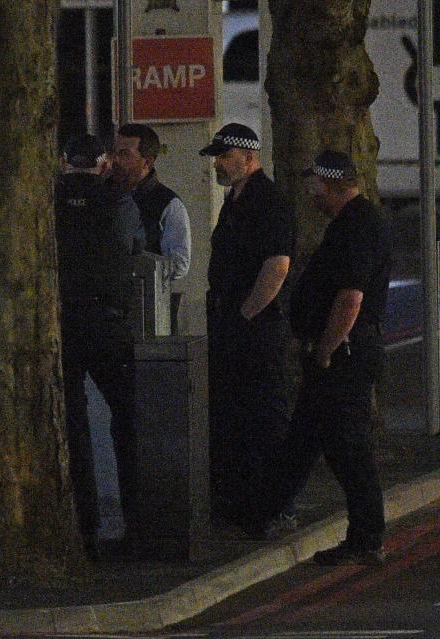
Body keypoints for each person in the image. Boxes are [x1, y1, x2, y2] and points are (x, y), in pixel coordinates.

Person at [258, 150, 391, 566]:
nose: (311, 192)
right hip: (337, 353)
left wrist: (326, 350)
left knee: (347, 447)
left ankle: (367, 537)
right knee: (305, 438)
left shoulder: (356, 227)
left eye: (314, 183)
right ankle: (265, 510)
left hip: (343, 356)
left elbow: (350, 298)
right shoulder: (351, 224)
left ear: (330, 184)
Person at [199, 123, 294, 531]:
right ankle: (241, 503)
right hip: (234, 325)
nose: (218, 164)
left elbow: (277, 266)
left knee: (262, 417)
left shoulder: (267, 202)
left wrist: (245, 316)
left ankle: (271, 507)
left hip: (255, 329)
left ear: (249, 157)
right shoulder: (234, 201)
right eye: (217, 157)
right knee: (235, 415)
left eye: (225, 156)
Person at [54, 134, 145, 557]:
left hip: (63, 325)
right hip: (109, 324)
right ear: (103, 163)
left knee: (71, 425)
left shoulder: (47, 201)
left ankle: (83, 528)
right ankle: (137, 521)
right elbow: (137, 251)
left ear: (62, 161)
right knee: (127, 420)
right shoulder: (119, 202)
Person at [110, 123, 192, 281]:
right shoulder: (105, 193)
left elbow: (179, 263)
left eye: (125, 155)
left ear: (146, 162)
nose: (116, 161)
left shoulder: (168, 204)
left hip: (143, 297)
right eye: (115, 153)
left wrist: (134, 258)